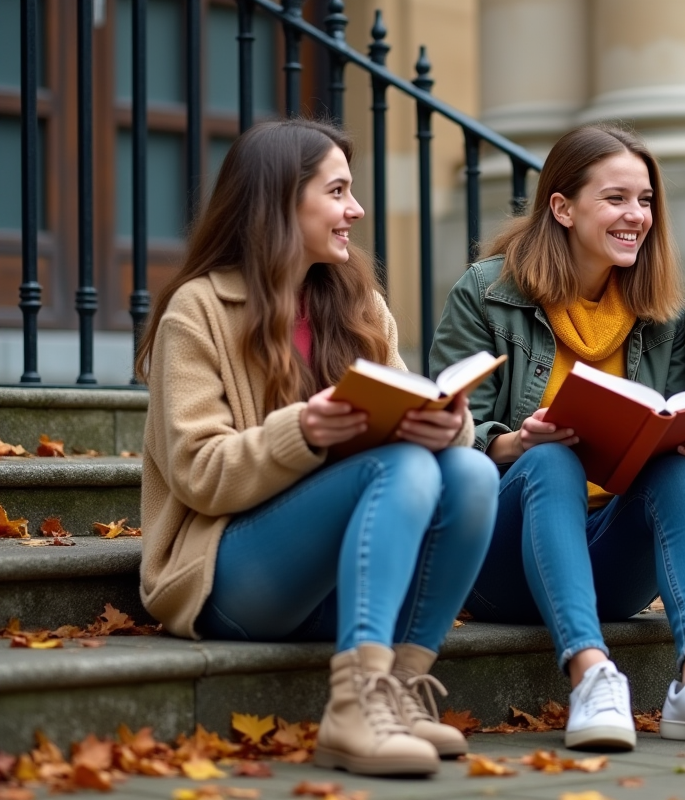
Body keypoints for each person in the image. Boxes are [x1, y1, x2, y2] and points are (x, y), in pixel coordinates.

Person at [136, 119, 499, 777]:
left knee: (471, 471)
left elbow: (416, 409)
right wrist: (301, 433)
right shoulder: (199, 310)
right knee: (401, 464)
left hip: (343, 580)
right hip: (228, 574)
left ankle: (400, 682)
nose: (354, 210)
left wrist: (448, 425)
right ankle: (355, 703)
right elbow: (198, 473)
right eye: (337, 192)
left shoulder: (358, 303)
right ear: (280, 202)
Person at [430, 123, 685, 751]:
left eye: (645, 201)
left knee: (671, 466)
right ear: (561, 207)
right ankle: (590, 675)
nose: (636, 215)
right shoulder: (485, 294)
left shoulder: (662, 314)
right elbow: (446, 435)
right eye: (616, 198)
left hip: (610, 556)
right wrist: (516, 445)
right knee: (554, 460)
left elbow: (669, 425)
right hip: (505, 562)